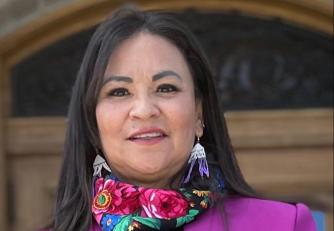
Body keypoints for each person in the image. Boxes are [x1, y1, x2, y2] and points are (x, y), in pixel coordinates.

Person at [48, 7, 316, 231]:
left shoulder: (281, 224)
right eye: (119, 92)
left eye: (166, 88)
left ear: (199, 113)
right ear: (92, 122)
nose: (144, 110)